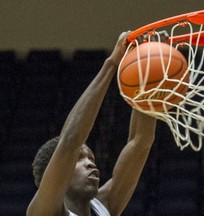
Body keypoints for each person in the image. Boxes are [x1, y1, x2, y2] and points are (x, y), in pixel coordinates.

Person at [26, 31, 157, 216]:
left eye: (91, 158)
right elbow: (71, 140)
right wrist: (112, 62)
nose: (90, 164)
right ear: (54, 172)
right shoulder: (42, 211)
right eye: (79, 158)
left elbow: (140, 140)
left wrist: (147, 69)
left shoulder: (104, 206)